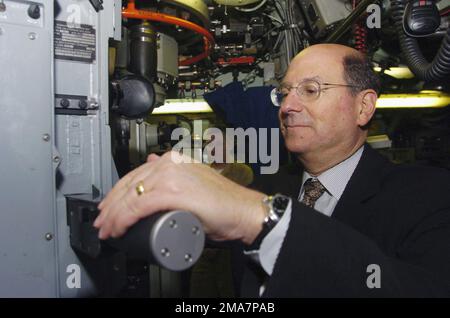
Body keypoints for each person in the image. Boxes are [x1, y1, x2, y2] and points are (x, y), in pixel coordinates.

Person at [94, 44, 450, 297]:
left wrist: (262, 220)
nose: (289, 106)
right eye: (284, 93)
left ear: (363, 107)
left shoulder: (427, 195)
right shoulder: (263, 189)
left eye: (311, 90)